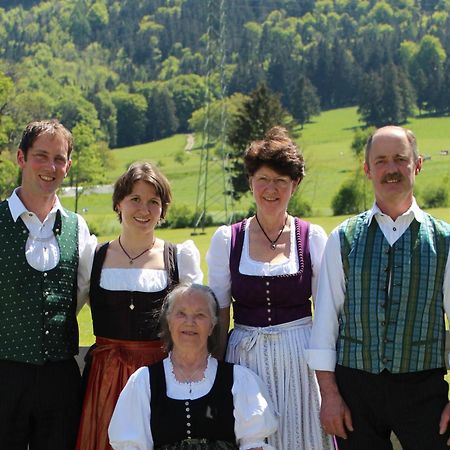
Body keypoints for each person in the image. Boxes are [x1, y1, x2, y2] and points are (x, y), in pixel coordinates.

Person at [307, 125, 450, 449]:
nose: (391, 169)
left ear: (418, 164)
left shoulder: (444, 240)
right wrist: (329, 395)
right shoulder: (343, 238)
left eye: (400, 159)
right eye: (381, 160)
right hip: (355, 391)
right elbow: (326, 323)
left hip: (423, 389)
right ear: (367, 169)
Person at [206, 126, 334, 449]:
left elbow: (327, 319)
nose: (271, 189)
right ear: (250, 182)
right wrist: (217, 380)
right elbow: (219, 316)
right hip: (246, 364)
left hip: (300, 364)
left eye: (281, 181)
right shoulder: (228, 240)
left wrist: (330, 386)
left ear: (295, 185)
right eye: (263, 179)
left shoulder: (312, 237)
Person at [76, 162, 203, 450]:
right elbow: (67, 314)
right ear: (118, 203)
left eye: (153, 202)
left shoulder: (178, 257)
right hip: (105, 377)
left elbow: (199, 325)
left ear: (163, 210)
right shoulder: (94, 256)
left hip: (160, 378)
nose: (143, 210)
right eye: (135, 199)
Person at [0, 119, 97, 450]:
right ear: (21, 158)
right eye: (41, 155)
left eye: (59, 159)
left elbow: (83, 293)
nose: (50, 167)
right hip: (4, 373)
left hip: (60, 377)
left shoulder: (77, 228)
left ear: (68, 167)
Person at [108, 282, 277, 450]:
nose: (190, 322)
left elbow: (253, 446)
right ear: (168, 321)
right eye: (181, 314)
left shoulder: (239, 381)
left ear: (212, 325)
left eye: (200, 315)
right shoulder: (143, 383)